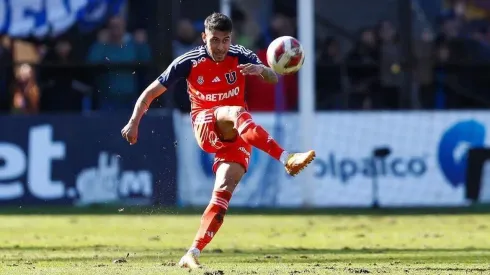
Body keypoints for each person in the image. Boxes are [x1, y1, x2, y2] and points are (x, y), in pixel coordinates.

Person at [121, 12, 315, 269]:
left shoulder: (241, 54)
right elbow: (150, 92)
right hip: (206, 124)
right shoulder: (188, 61)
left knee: (223, 193)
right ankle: (286, 157)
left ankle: (192, 252)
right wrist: (134, 121)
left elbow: (273, 77)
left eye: (225, 40)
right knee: (234, 111)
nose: (221, 47)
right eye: (215, 40)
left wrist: (261, 69)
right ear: (204, 38)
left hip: (238, 131)